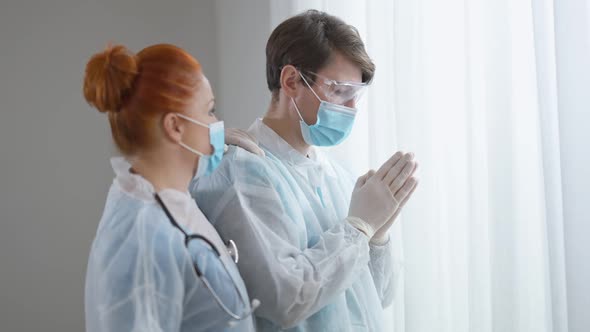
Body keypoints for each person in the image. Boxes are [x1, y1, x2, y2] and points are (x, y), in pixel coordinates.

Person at [191, 10, 419, 331]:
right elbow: (284, 299)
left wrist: (377, 235)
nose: (351, 109)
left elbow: (375, 296)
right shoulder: (242, 172)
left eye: (356, 95)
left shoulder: (336, 175)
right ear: (292, 81)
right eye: (340, 91)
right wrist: (357, 229)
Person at [83, 43, 261, 331]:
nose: (216, 124)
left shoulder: (161, 198)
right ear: (175, 126)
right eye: (210, 111)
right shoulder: (145, 237)